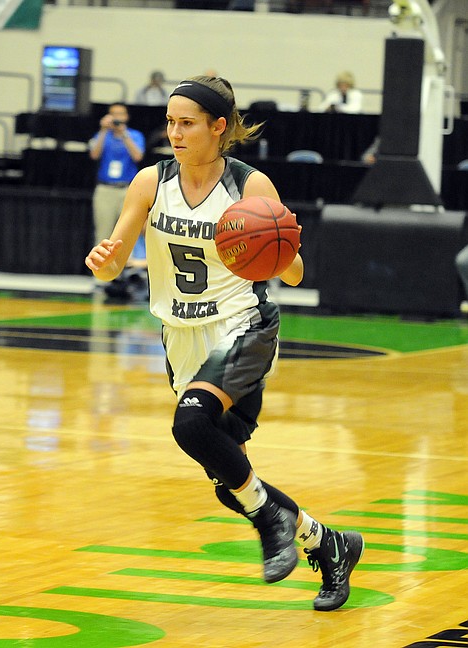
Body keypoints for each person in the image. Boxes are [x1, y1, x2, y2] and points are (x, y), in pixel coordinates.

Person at [85, 75, 364, 611]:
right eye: (169, 122)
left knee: (191, 426)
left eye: (186, 123)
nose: (174, 132)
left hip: (243, 326)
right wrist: (104, 262)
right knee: (227, 476)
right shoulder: (149, 182)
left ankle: (268, 523)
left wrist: (276, 245)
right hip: (181, 337)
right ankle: (327, 544)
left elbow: (298, 273)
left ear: (219, 127)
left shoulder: (250, 187)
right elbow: (115, 260)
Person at [88, 102, 146, 276]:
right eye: (114, 114)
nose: (117, 118)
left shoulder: (134, 135)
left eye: (120, 114)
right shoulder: (102, 135)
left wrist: (124, 135)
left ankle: (131, 274)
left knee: (130, 233)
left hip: (127, 189)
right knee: (103, 233)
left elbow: (138, 156)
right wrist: (104, 130)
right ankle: (100, 277)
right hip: (105, 189)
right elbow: (94, 154)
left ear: (126, 117)